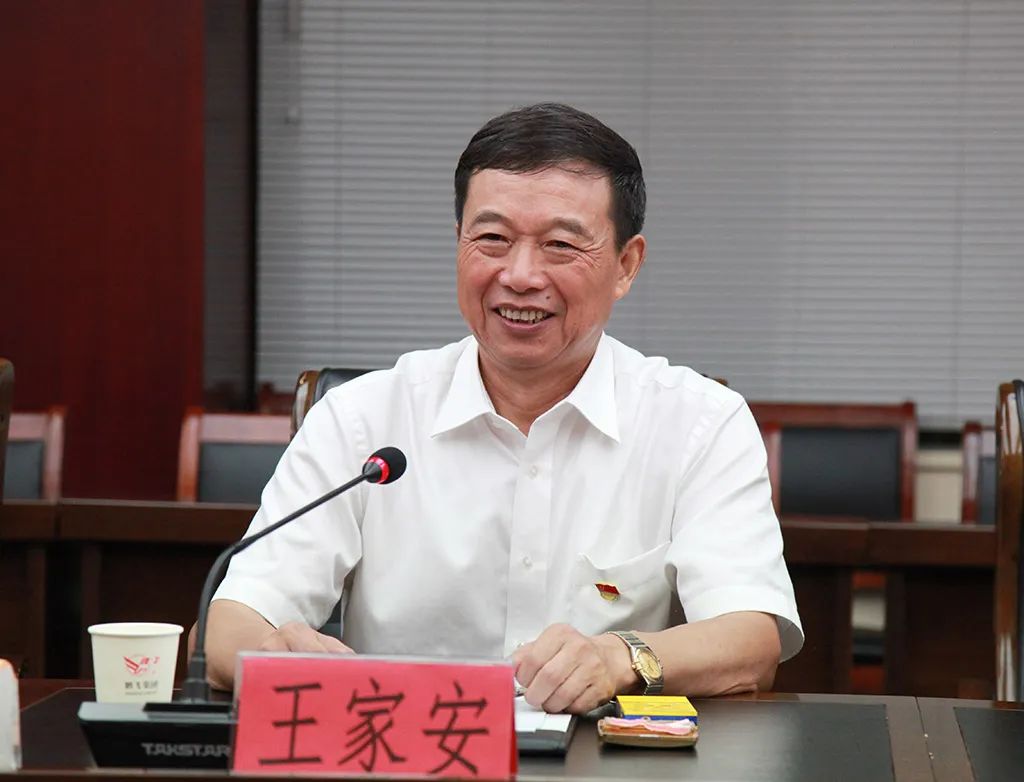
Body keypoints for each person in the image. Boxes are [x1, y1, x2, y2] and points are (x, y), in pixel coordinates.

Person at [200, 103, 803, 713]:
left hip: (608, 755)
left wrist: (619, 657)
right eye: (492, 239)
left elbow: (750, 640)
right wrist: (274, 654)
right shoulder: (362, 420)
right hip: (406, 749)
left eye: (560, 244)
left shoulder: (700, 423)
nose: (519, 275)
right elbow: (230, 623)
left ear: (626, 265)